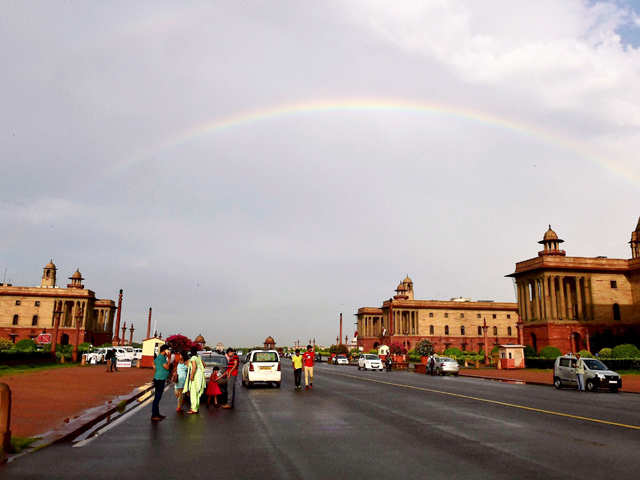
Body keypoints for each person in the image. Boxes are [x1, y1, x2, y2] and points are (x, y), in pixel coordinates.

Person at [151, 344, 171, 421]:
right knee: (157, 398)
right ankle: (154, 415)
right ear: (165, 350)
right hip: (160, 379)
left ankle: (157, 414)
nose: (168, 351)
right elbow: (167, 367)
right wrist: (169, 359)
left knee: (158, 397)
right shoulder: (162, 358)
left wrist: (158, 369)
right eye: (168, 349)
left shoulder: (159, 357)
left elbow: (153, 365)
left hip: (158, 378)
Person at [183, 347, 205, 414]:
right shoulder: (198, 357)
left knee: (193, 393)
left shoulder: (193, 358)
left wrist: (192, 375)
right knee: (197, 393)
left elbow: (194, 367)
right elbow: (204, 365)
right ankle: (196, 408)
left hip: (195, 376)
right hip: (200, 376)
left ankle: (193, 409)